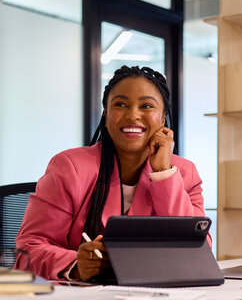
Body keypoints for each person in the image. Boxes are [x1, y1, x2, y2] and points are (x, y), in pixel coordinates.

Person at [15, 65, 209, 281]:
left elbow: (198, 251)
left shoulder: (184, 172)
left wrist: (163, 173)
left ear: (163, 118)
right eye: (120, 104)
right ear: (106, 115)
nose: (133, 115)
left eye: (146, 105)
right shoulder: (70, 167)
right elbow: (27, 250)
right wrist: (75, 265)